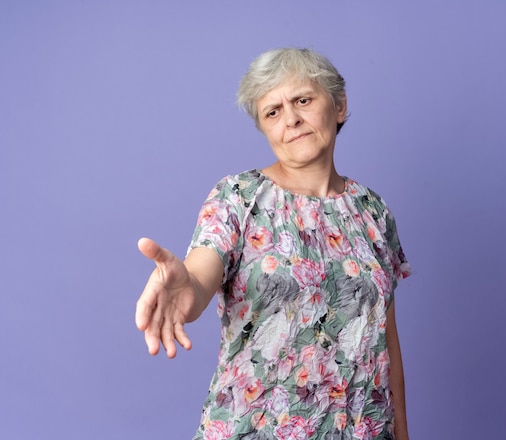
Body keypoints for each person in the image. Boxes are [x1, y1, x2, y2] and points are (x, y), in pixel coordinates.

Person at [136, 48, 411, 440]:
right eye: (272, 112)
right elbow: (200, 274)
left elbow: (387, 342)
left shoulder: (372, 210)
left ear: (339, 107)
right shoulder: (237, 197)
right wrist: (189, 289)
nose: (291, 119)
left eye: (303, 100)